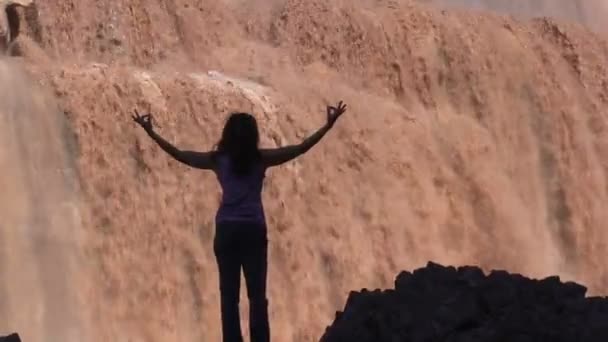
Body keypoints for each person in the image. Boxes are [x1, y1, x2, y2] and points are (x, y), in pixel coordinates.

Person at [132, 100, 348, 342]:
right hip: (253, 230)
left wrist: (151, 132)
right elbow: (300, 148)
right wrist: (328, 126)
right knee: (257, 296)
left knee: (229, 297)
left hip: (226, 230)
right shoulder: (261, 158)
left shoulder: (217, 160)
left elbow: (180, 155)